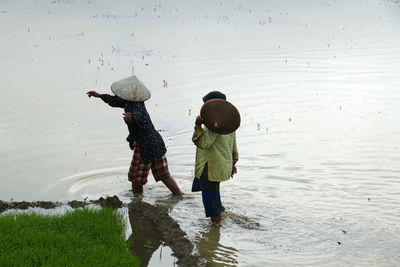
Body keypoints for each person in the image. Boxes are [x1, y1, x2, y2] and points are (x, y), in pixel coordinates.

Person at [86, 90, 182, 196]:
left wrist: (130, 120)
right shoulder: (129, 102)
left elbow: (137, 115)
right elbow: (114, 101)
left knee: (136, 178)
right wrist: (99, 95)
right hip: (156, 142)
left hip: (144, 145)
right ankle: (178, 195)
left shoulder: (136, 105)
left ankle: (137, 203)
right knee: (163, 174)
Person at [192, 91, 239, 223]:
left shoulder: (213, 127)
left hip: (210, 167)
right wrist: (233, 163)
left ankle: (215, 228)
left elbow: (203, 143)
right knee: (214, 192)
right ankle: (220, 212)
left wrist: (197, 126)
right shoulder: (229, 123)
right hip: (221, 164)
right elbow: (233, 146)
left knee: (210, 199)